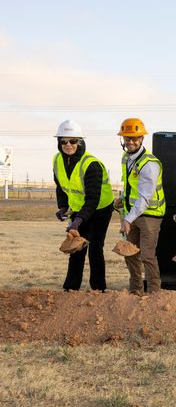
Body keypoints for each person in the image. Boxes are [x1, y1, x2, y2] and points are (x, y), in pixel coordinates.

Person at [52, 119, 114, 291]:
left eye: (73, 141)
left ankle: (98, 289)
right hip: (79, 209)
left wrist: (77, 222)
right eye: (64, 141)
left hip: (100, 209)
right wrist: (63, 207)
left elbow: (93, 199)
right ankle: (71, 288)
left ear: (80, 142)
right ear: (59, 142)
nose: (68, 145)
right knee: (76, 248)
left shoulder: (91, 164)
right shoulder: (57, 160)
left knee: (95, 249)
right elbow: (60, 186)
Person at [117, 118, 165, 294]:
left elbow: (145, 197)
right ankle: (136, 291)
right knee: (130, 253)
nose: (130, 142)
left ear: (142, 139)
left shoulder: (149, 164)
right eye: (127, 138)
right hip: (132, 213)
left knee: (147, 255)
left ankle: (153, 293)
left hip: (150, 215)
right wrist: (122, 198)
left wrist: (127, 220)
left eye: (134, 138)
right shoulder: (126, 158)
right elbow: (130, 184)